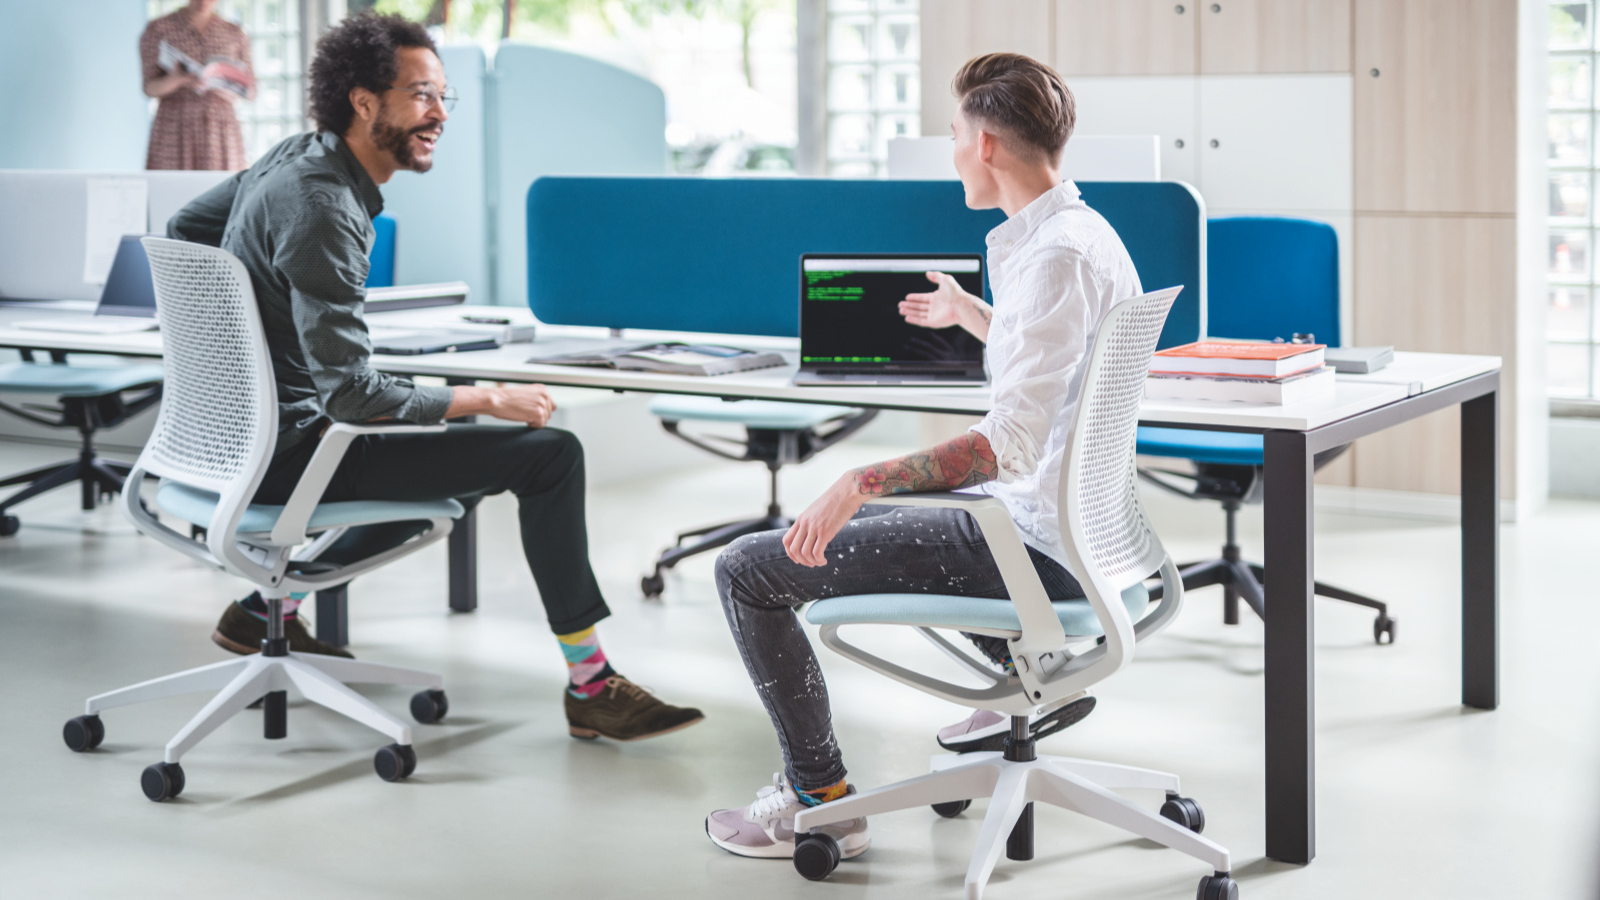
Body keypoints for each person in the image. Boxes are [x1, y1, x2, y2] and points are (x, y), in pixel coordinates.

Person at [167, 13, 703, 743]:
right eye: (422, 95)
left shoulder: (291, 159)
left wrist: (254, 334)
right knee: (548, 454)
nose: (441, 114)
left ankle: (270, 607)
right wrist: (486, 396)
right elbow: (353, 395)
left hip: (229, 444)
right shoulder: (326, 205)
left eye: (443, 96)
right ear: (364, 103)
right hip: (288, 458)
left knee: (459, 456)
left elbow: (185, 233)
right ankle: (593, 685)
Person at [704, 52, 1142, 860]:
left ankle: (821, 799)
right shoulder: (1083, 236)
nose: (951, 151)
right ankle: (1023, 691)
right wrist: (974, 313)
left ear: (984, 146)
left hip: (1033, 550)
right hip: (1082, 539)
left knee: (747, 570)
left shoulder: (1054, 257)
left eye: (953, 134)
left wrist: (860, 481)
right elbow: (1057, 376)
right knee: (911, 520)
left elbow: (1007, 443)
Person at [140, 0, 254, 171]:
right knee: (172, 189)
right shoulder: (159, 29)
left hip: (220, 127)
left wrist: (224, 84)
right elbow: (149, 88)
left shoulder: (234, 33)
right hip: (174, 126)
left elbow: (252, 91)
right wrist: (176, 79)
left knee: (221, 191)